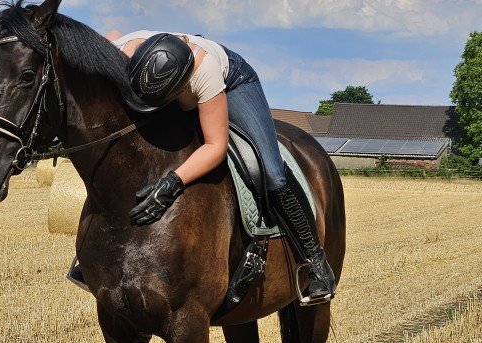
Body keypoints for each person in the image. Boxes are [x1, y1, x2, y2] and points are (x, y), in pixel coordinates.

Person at [107, 30, 335, 303]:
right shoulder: (125, 50)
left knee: (272, 173)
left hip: (234, 80)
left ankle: (315, 261)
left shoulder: (206, 73)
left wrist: (173, 182)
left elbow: (215, 147)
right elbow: (110, 35)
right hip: (166, 87)